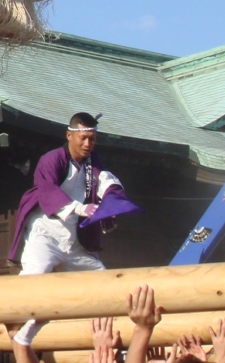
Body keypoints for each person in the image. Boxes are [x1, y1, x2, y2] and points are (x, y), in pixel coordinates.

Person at [7, 113, 133, 275]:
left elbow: (104, 180)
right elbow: (47, 191)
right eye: (83, 138)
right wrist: (80, 209)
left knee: (99, 277)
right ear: (69, 135)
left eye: (92, 139)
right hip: (46, 235)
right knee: (36, 273)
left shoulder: (92, 161)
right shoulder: (51, 159)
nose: (88, 144)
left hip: (74, 241)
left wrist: (111, 203)